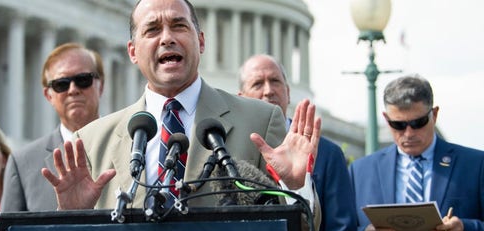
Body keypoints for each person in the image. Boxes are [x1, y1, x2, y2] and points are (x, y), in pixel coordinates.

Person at [42, 0, 319, 218]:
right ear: (133, 51)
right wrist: (70, 216)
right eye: (152, 30)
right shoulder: (91, 142)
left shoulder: (259, 121)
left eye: (178, 26)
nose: (166, 38)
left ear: (200, 41)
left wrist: (295, 188)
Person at [350, 74, 484, 231]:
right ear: (385, 119)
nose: (409, 133)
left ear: (435, 114)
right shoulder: (361, 170)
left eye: (418, 122)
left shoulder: (475, 165)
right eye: (398, 125)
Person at [0, 43, 104, 231]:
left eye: (83, 80)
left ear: (100, 85)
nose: (73, 89)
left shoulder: (136, 148)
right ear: (48, 94)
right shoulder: (24, 163)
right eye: (61, 84)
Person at [238, 54, 356, 231]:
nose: (268, 90)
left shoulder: (328, 153)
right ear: (241, 96)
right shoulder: (231, 153)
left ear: (288, 92)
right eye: (258, 83)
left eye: (275, 81)